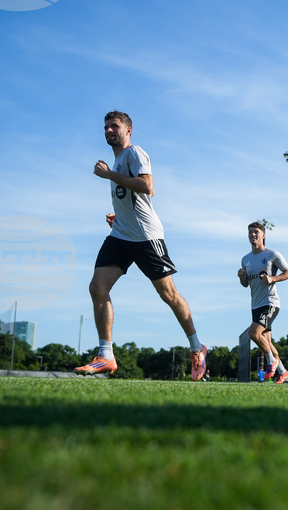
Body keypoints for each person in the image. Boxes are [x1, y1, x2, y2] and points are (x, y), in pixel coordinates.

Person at [76, 110, 207, 380]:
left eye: (114, 126)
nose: (109, 131)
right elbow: (130, 196)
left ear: (128, 130)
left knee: (169, 295)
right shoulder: (117, 161)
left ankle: (197, 347)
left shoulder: (134, 153)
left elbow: (147, 186)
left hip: (146, 236)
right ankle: (106, 355)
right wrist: (119, 216)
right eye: (106, 127)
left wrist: (109, 175)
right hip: (121, 235)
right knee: (97, 287)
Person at [239, 221, 288, 383]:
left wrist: (272, 279)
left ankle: (272, 361)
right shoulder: (245, 259)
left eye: (256, 232)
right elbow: (245, 284)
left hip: (270, 302)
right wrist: (241, 277)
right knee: (267, 342)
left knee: (253, 333)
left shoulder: (272, 255)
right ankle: (283, 372)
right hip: (255, 304)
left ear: (263, 235)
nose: (253, 235)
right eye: (250, 232)